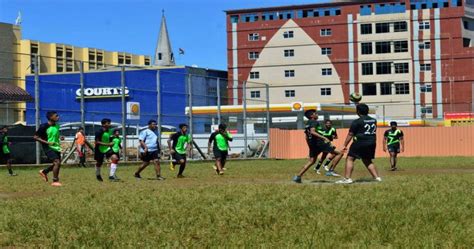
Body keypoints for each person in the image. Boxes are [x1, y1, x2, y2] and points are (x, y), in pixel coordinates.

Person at [293, 110, 343, 183]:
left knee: (311, 161)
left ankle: (298, 177)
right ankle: (330, 171)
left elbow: (306, 136)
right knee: (339, 153)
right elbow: (313, 132)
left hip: (313, 144)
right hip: (319, 143)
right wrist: (324, 138)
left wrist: (310, 145)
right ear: (312, 116)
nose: (317, 114)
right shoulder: (314, 122)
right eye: (315, 113)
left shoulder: (308, 123)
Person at [336, 104, 382, 184]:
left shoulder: (357, 121)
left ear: (358, 111)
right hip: (372, 142)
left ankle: (347, 178)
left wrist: (344, 145)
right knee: (367, 160)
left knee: (350, 158)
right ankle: (377, 178)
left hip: (360, 142)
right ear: (367, 111)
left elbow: (350, 134)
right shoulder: (374, 120)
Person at [34, 111, 62, 186]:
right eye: (56, 116)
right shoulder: (43, 126)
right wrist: (47, 142)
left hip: (56, 147)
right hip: (48, 147)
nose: (58, 117)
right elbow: (35, 137)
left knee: (57, 164)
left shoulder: (57, 125)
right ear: (51, 117)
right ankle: (55, 181)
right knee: (57, 162)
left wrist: (60, 137)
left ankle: (44, 172)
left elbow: (54, 135)